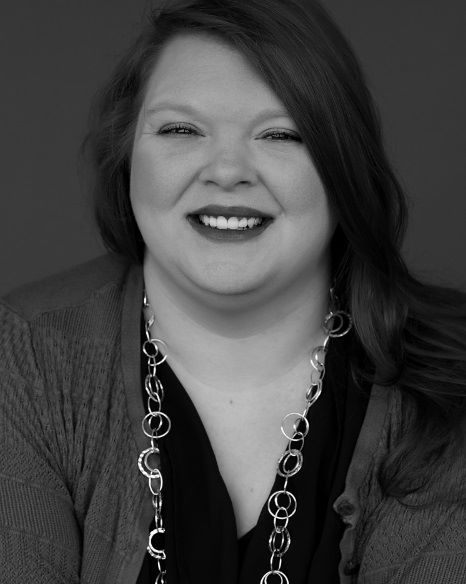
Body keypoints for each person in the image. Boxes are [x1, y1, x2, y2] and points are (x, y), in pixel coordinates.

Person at [1, 0, 465, 582]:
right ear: (127, 157)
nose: (226, 170)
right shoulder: (23, 359)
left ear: (345, 166)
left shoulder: (452, 392)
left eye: (280, 134)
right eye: (181, 129)